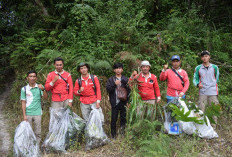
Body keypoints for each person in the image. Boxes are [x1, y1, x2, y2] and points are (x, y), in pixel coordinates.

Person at [21, 70, 47, 145]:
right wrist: (24, 115)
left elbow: (45, 98)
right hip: (28, 113)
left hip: (38, 113)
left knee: (38, 133)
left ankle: (36, 148)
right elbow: (23, 102)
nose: (32, 78)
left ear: (36, 78)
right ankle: (29, 148)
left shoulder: (40, 87)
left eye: (34, 76)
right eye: (30, 76)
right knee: (28, 132)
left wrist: (43, 89)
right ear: (27, 78)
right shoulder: (24, 89)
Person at [106, 63, 130, 138]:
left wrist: (128, 102)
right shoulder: (111, 79)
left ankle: (122, 134)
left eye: (119, 68)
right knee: (114, 119)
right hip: (114, 102)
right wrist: (114, 84)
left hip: (123, 102)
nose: (118, 70)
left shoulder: (125, 79)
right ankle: (113, 135)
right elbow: (108, 89)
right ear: (114, 70)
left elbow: (129, 91)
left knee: (123, 118)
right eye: (116, 68)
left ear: (122, 69)